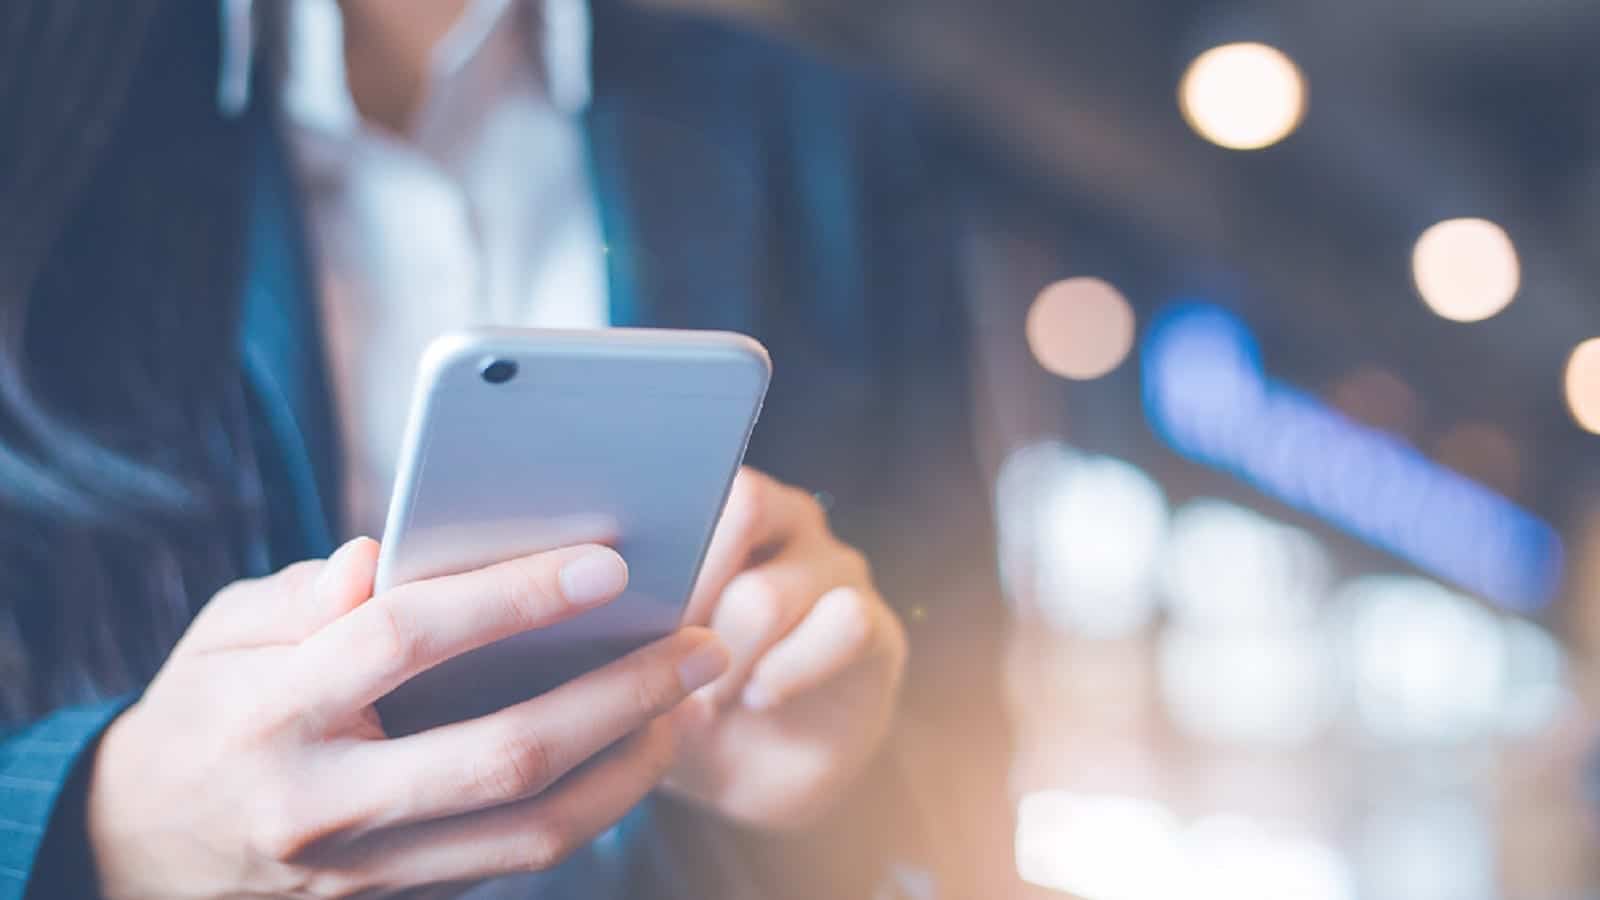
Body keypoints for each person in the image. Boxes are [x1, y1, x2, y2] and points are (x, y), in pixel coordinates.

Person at [0, 1, 1008, 898]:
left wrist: (840, 793)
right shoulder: (38, 92)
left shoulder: (832, 143)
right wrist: (103, 831)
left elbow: (965, 696)